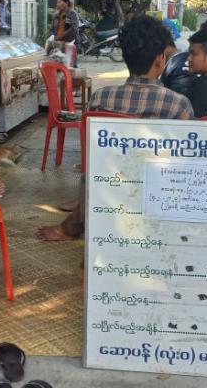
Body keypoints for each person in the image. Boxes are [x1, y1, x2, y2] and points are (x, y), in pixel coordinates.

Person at [37, 16, 194, 241]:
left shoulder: (100, 98)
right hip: (160, 195)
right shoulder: (179, 105)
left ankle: (73, 226)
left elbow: (94, 156)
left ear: (126, 58)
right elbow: (186, 164)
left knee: (92, 169)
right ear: (161, 60)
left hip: (111, 188)